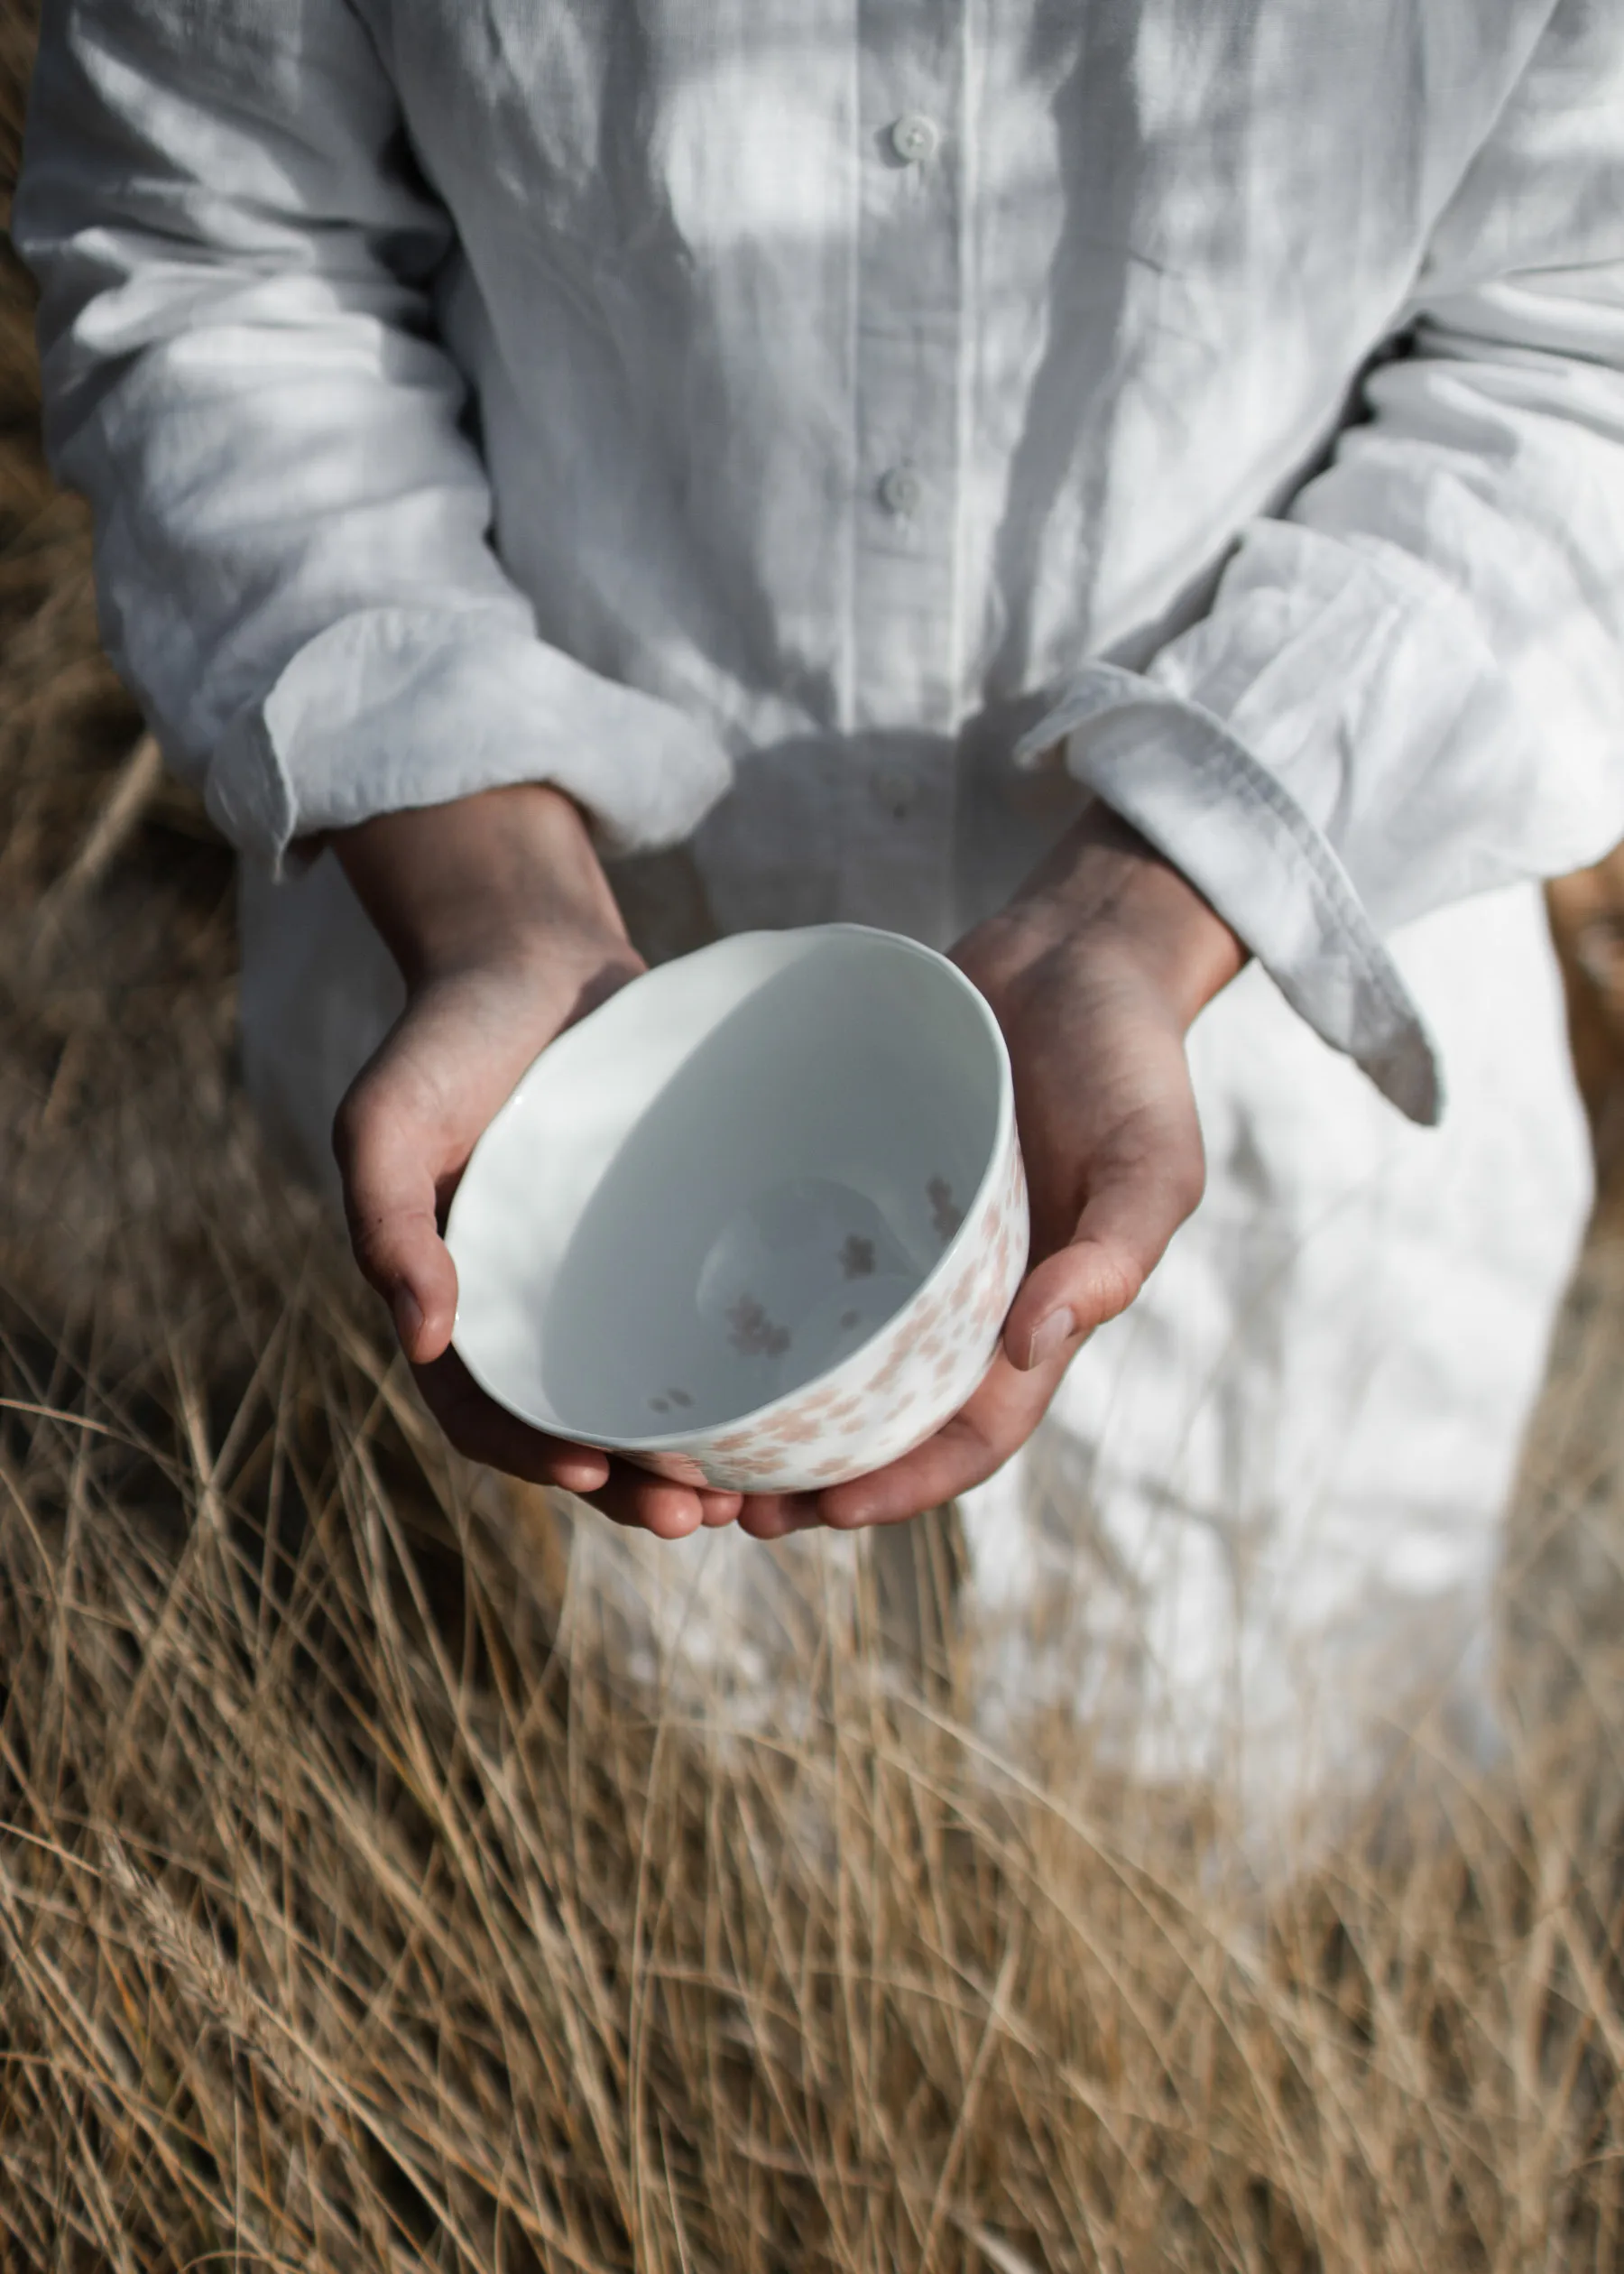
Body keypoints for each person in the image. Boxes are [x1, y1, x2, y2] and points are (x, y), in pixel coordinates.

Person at [14, 0, 1623, 1807]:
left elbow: (1584, 340)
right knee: (566, 1828)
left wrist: (1160, 905)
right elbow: (213, 241)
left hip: (1265, 1083)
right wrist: (485, 887)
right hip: (526, 1051)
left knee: (1277, 1844)